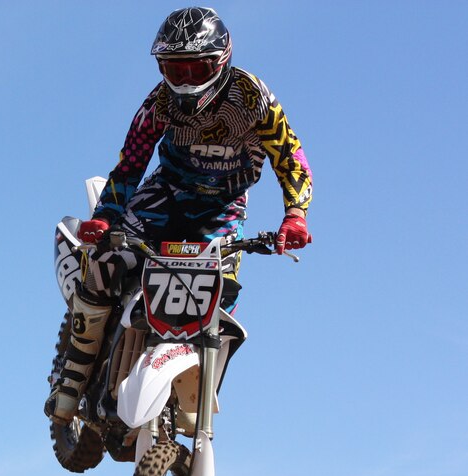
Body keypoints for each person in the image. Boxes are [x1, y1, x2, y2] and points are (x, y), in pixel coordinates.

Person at [45, 6, 313, 425]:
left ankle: (198, 386)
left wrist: (295, 214)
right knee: (102, 261)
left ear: (220, 62)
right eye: (176, 69)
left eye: (196, 67)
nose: (186, 81)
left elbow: (291, 159)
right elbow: (130, 163)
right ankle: (73, 375)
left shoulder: (254, 98)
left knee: (223, 293)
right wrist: (106, 216)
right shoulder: (158, 103)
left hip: (223, 207)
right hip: (165, 195)